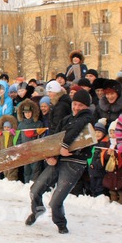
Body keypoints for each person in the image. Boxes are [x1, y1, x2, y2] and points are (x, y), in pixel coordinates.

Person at [25, 89, 94, 234]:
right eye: (75, 104)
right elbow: (54, 137)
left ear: (86, 107)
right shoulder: (67, 119)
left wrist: (65, 145)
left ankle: (61, 223)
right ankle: (37, 210)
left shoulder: (87, 118)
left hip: (75, 163)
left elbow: (77, 127)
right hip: (59, 161)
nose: (76, 108)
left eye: (80, 105)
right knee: (35, 190)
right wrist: (51, 156)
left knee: (56, 201)